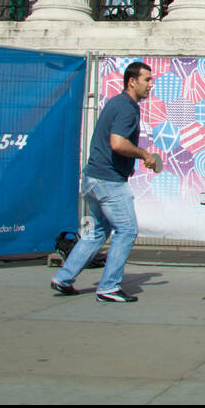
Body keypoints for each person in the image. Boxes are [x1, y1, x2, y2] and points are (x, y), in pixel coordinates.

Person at [51, 61, 163, 303]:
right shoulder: (126, 108)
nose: (151, 85)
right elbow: (117, 143)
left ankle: (63, 278)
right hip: (108, 182)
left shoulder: (118, 103)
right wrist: (145, 155)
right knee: (127, 230)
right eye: (147, 80)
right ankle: (109, 287)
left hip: (93, 178)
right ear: (132, 82)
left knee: (96, 233)